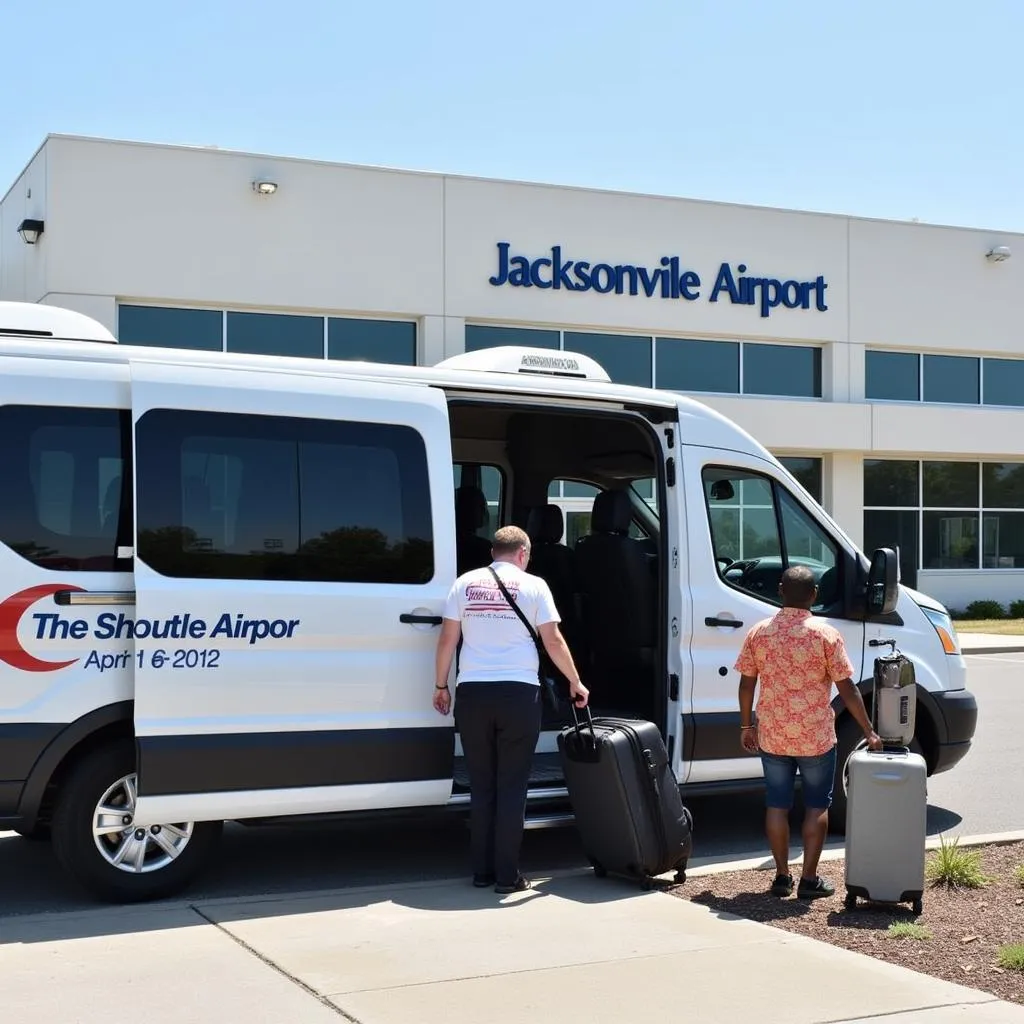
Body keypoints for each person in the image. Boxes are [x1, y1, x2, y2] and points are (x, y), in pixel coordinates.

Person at [433, 525, 589, 894]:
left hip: (472, 693)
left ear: (493, 552)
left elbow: (447, 639)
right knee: (512, 786)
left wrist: (442, 686)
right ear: (523, 554)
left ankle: (481, 873)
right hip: (519, 695)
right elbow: (552, 638)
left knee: (482, 784)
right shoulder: (535, 585)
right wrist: (575, 680)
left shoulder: (464, 583)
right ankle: (507, 877)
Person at [735, 565, 882, 899]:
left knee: (777, 805)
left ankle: (781, 878)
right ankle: (809, 880)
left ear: (780, 590)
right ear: (814, 595)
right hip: (815, 737)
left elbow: (746, 684)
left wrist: (747, 725)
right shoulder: (825, 635)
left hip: (772, 734)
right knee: (817, 805)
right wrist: (869, 731)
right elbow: (848, 690)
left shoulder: (760, 632)